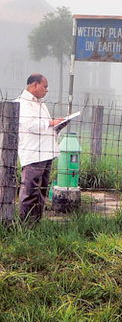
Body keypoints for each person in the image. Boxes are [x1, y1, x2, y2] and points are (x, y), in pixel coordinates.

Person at [15, 73, 64, 224]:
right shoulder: (22, 103)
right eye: (45, 86)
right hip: (33, 154)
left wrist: (57, 125)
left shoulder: (40, 103)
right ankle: (25, 224)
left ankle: (36, 223)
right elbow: (30, 125)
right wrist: (50, 123)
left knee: (41, 191)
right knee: (30, 191)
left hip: (46, 153)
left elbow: (45, 125)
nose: (47, 90)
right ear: (34, 85)